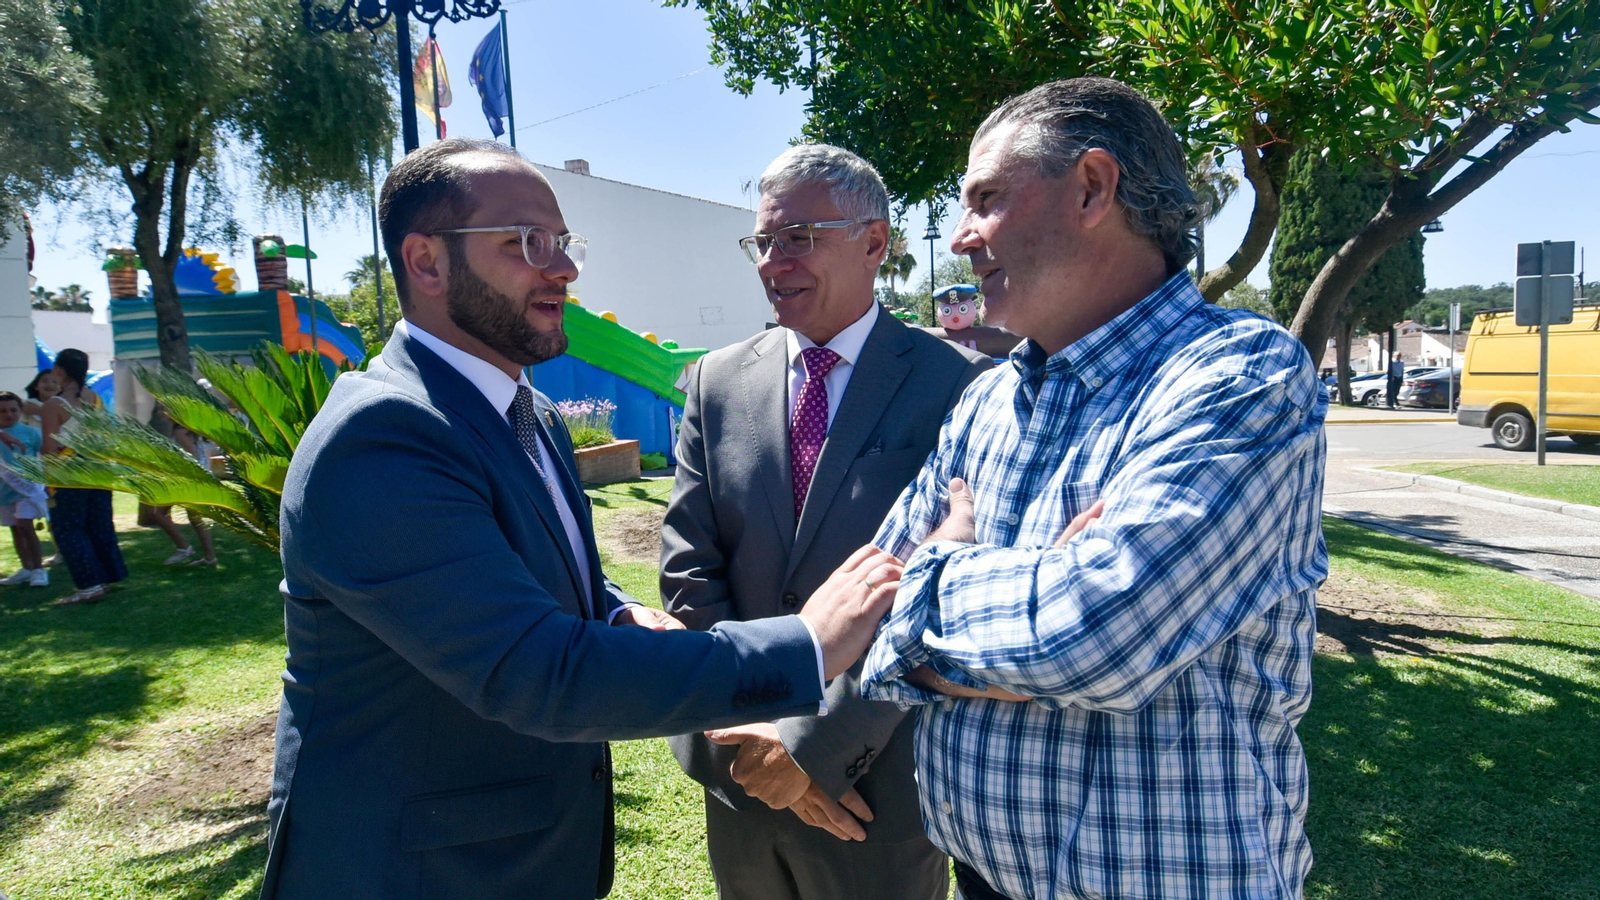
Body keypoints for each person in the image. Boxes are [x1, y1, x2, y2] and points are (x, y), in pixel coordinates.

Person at [262, 137, 900, 900]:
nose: (562, 269)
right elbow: (540, 674)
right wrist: (808, 644)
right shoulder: (381, 439)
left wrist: (622, 612)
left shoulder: (530, 414)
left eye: (565, 243)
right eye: (528, 244)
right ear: (426, 263)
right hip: (419, 872)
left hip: (525, 856)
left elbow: (548, 584)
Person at [858, 78, 1328, 900]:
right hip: (982, 879)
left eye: (987, 199)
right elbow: (871, 608)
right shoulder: (988, 398)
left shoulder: (1241, 375)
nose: (962, 235)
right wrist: (1033, 594)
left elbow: (1090, 637)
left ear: (1093, 187)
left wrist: (939, 585)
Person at [661, 145, 990, 900]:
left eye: (798, 237)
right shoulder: (716, 381)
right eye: (763, 242)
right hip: (742, 779)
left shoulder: (959, 384)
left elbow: (944, 596)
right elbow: (688, 575)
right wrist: (761, 749)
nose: (773, 262)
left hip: (879, 788)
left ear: (874, 242)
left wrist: (815, 750)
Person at [42, 348, 126, 606]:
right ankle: (107, 576)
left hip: (69, 477)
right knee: (99, 526)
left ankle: (89, 585)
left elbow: (49, 448)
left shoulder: (53, 406)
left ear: (60, 370)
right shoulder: (95, 398)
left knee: (69, 530)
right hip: (99, 472)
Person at [0, 391, 49, 586]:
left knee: (25, 526)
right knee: (15, 529)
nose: (8, 414)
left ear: (21, 411)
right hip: (4, 489)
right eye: (2, 411)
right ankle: (26, 568)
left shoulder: (31, 433)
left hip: (26, 488)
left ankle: (38, 569)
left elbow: (45, 454)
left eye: (13, 410)